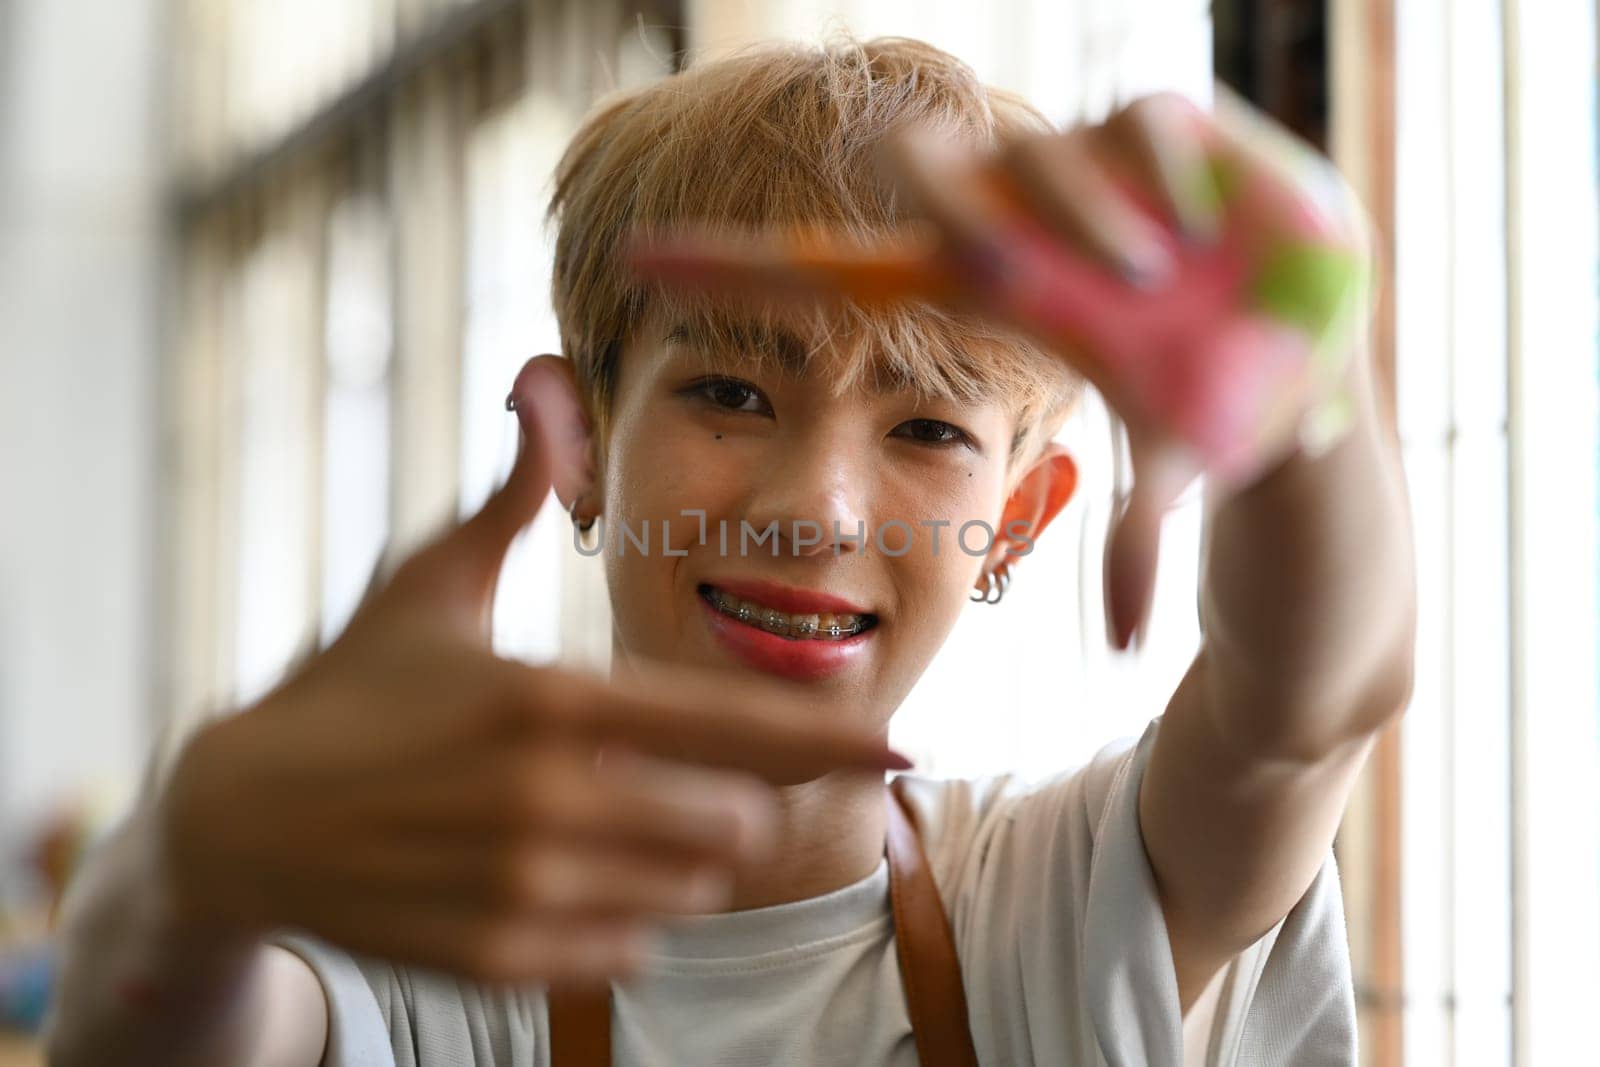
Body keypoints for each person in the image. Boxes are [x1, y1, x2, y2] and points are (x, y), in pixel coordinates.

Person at [45, 36, 1414, 1067]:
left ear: (1024, 515)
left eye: (928, 428)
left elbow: (1306, 708)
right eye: (731, 395)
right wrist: (192, 861)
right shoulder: (407, 929)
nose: (813, 510)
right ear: (580, 449)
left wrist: (1307, 405)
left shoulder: (1065, 904)